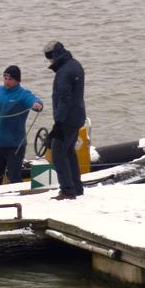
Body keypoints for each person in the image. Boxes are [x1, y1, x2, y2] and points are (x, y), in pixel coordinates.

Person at [44, 41, 86, 200]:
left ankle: (67, 190)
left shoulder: (63, 72)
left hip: (66, 119)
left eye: (50, 59)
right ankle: (77, 187)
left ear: (55, 56)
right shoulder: (75, 65)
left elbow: (64, 99)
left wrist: (58, 124)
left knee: (58, 153)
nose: (50, 62)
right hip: (77, 116)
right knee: (69, 152)